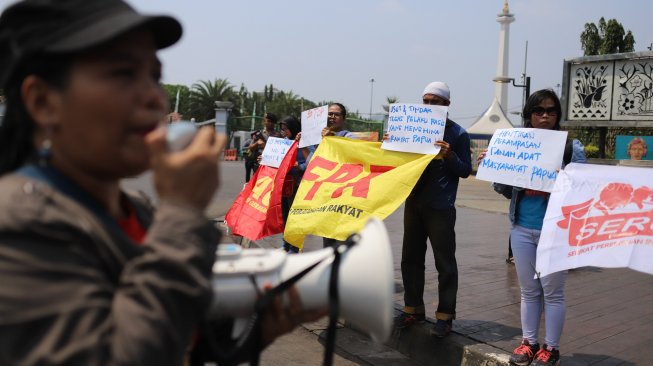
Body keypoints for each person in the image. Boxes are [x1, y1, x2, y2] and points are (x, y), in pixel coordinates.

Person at [0, 1, 322, 365]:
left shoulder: (137, 210)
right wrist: (182, 213)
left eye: (154, 76)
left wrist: (257, 332)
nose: (155, 98)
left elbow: (175, 336)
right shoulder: (18, 223)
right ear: (43, 102)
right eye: (123, 74)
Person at [479, 89, 587, 366]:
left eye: (551, 111)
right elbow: (504, 189)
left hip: (556, 231)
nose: (545, 116)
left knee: (553, 293)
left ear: (558, 116)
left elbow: (584, 192)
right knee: (529, 291)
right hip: (522, 228)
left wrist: (566, 181)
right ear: (529, 116)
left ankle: (551, 349)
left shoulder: (570, 148)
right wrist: (494, 167)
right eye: (539, 111)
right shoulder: (517, 144)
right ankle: (529, 343)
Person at [393, 81, 472, 338]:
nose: (428, 106)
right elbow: (398, 162)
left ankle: (445, 316)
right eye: (425, 101)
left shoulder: (458, 134)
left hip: (441, 206)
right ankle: (413, 309)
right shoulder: (412, 128)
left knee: (444, 262)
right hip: (413, 203)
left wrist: (449, 155)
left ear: (446, 105)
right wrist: (390, 144)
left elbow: (465, 171)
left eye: (434, 102)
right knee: (410, 259)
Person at [278, 116, 314, 253]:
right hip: (284, 184)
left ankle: (295, 246)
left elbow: (313, 159)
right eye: (282, 129)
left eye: (286, 129)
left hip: (299, 185)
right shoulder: (284, 143)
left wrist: (300, 166)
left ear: (293, 128)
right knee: (285, 216)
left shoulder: (305, 142)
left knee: (295, 217)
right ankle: (286, 244)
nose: (284, 132)